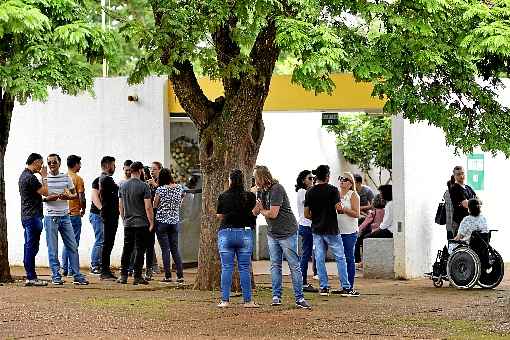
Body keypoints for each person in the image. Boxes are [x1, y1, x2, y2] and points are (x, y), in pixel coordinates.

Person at [254, 166, 311, 309]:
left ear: (262, 178)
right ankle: (276, 296)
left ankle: (299, 298)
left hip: (287, 232)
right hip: (273, 233)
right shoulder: (261, 191)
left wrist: (261, 210)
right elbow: (255, 212)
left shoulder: (276, 189)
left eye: (256, 178)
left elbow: (273, 214)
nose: (254, 180)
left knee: (294, 265)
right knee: (275, 265)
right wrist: (256, 206)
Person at [304, 165, 355, 297]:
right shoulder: (333, 190)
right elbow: (338, 209)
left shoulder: (309, 191)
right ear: (327, 176)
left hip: (316, 229)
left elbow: (306, 214)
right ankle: (346, 286)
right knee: (340, 257)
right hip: (332, 229)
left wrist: (316, 217)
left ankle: (324, 287)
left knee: (320, 258)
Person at [43, 153, 88, 285]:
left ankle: (77, 275)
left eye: (54, 162)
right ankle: (56, 276)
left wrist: (68, 197)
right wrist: (48, 198)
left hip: (65, 216)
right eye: (49, 162)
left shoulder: (65, 177)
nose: (52, 164)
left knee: (72, 246)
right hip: (50, 217)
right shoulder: (44, 178)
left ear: (59, 163)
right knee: (53, 248)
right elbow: (41, 197)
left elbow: (74, 194)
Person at [216, 169, 259, 308]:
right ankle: (248, 301)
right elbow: (253, 214)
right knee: (244, 268)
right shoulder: (249, 196)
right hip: (245, 233)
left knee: (227, 267)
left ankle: (225, 300)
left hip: (226, 233)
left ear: (230, 180)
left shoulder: (223, 196)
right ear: (243, 180)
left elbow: (219, 215)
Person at [117, 161, 154, 285]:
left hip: (128, 222)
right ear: (140, 170)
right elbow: (148, 207)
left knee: (127, 249)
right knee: (139, 249)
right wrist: (151, 222)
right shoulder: (144, 186)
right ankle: (137, 276)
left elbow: (120, 206)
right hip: (141, 223)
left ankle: (123, 276)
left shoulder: (123, 186)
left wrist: (124, 219)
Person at [19, 153, 49, 286]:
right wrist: (44, 177)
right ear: (35, 162)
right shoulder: (31, 178)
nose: (42, 167)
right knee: (31, 247)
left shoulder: (23, 176)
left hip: (27, 216)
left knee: (30, 246)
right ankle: (31, 277)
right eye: (41, 163)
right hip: (33, 217)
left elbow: (32, 196)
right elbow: (45, 191)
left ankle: (30, 275)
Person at [153, 168, 185, 283]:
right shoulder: (179, 188)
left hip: (162, 222)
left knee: (165, 249)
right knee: (175, 249)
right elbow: (181, 201)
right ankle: (180, 275)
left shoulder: (160, 189)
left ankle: (168, 276)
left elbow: (155, 205)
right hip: (174, 222)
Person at [61, 155, 86, 277]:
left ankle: (64, 268)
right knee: (74, 242)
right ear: (75, 164)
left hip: (64, 213)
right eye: (79, 163)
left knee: (66, 242)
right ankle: (72, 269)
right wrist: (83, 208)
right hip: (75, 213)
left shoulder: (63, 177)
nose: (80, 166)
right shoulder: (78, 179)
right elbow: (81, 197)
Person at [295, 170, 318, 293]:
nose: (312, 180)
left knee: (306, 253)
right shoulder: (303, 192)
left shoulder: (305, 191)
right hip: (306, 226)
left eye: (313, 178)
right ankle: (302, 282)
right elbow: (311, 207)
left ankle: (302, 281)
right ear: (303, 180)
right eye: (310, 178)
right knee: (306, 254)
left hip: (307, 225)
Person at [337, 172, 360, 291]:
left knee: (349, 257)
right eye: (341, 178)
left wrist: (344, 209)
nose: (342, 181)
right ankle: (343, 285)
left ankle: (349, 285)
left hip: (349, 232)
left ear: (351, 183)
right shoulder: (336, 194)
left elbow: (357, 214)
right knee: (340, 258)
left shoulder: (353, 195)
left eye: (345, 179)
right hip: (337, 231)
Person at [98, 156, 119, 281]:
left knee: (108, 243)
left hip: (110, 215)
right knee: (107, 243)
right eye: (113, 165)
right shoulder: (106, 179)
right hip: (109, 215)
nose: (114, 167)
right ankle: (104, 270)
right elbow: (119, 190)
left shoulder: (105, 179)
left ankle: (105, 269)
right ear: (108, 165)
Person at [355, 194, 385, 265]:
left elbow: (364, 224)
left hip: (374, 232)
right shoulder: (386, 211)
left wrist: (357, 231)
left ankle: (358, 260)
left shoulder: (373, 212)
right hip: (383, 231)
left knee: (358, 240)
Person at [448, 166, 476, 238]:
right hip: (459, 222)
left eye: (462, 173)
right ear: (454, 176)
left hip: (469, 222)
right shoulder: (455, 188)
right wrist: (474, 202)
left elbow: (480, 202)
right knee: (459, 246)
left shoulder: (468, 188)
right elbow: (466, 204)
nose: (461, 176)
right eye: (458, 174)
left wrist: (471, 202)